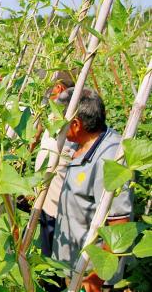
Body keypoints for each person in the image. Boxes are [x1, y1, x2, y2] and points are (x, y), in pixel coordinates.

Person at [52, 87, 133, 292]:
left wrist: (97, 276)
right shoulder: (80, 144)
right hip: (71, 265)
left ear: (77, 124)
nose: (56, 125)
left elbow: (119, 224)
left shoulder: (111, 159)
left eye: (60, 119)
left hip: (89, 275)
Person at [35, 72, 76, 259]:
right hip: (46, 200)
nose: (44, 95)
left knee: (56, 260)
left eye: (47, 89)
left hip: (59, 209)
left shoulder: (72, 121)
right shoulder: (55, 115)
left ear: (59, 88)